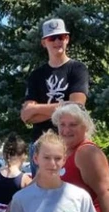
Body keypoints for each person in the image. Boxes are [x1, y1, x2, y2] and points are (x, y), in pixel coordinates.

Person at [21, 18, 89, 176]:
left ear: (67, 39)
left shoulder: (77, 69)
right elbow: (26, 116)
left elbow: (77, 106)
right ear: (44, 42)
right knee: (42, 194)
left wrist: (36, 108)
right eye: (52, 38)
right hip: (41, 144)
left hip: (69, 143)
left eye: (61, 37)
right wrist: (64, 106)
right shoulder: (36, 75)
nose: (57, 41)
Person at [51, 103, 109, 212]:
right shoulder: (62, 152)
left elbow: (106, 192)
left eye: (73, 125)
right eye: (62, 124)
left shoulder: (86, 152)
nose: (66, 130)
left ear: (85, 126)